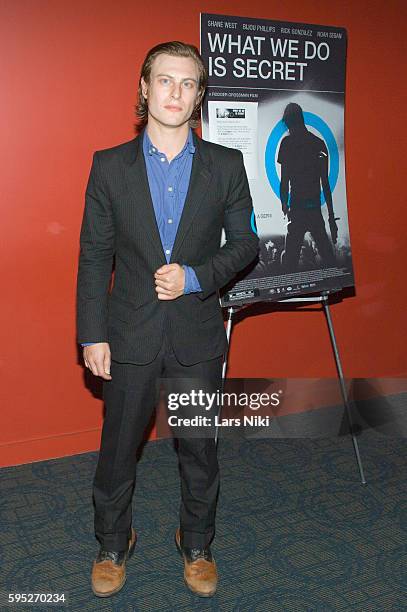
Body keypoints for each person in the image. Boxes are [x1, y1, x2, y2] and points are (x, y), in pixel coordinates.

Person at [76, 41, 258, 599]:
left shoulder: (226, 165)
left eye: (188, 83)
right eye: (164, 81)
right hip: (127, 333)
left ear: (200, 95)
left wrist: (196, 276)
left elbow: (247, 244)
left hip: (196, 336)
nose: (175, 92)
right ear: (144, 88)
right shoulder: (109, 166)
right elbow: (93, 256)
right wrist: (92, 334)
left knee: (201, 449)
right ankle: (113, 541)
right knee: (116, 450)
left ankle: (197, 542)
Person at [277, 102, 338, 271]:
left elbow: (285, 180)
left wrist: (284, 204)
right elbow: (324, 184)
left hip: (296, 209)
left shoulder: (287, 144)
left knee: (290, 263)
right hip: (313, 209)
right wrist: (331, 217)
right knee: (329, 260)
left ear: (289, 121)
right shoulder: (318, 143)